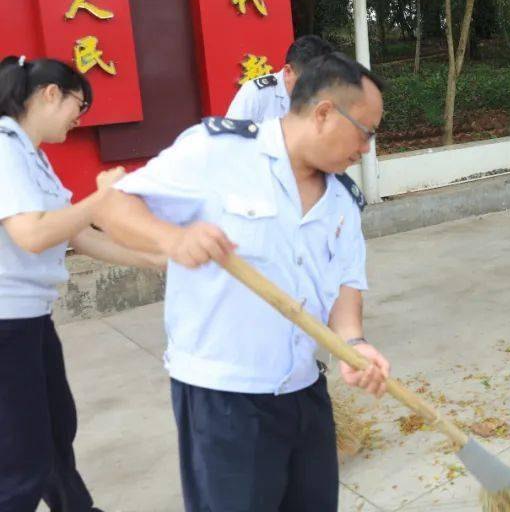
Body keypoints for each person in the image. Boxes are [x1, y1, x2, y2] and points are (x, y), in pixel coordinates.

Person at [94, 52, 392, 512]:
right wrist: (171, 238)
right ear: (324, 113)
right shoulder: (217, 152)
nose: (368, 147)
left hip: (304, 392)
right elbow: (112, 206)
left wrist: (353, 342)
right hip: (225, 401)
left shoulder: (344, 200)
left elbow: (346, 285)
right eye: (366, 131)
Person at [0, 55, 164, 512]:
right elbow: (31, 235)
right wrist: (102, 198)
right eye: (80, 105)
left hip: (30, 319)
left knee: (55, 434)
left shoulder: (31, 155)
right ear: (51, 94)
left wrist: (156, 258)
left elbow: (77, 234)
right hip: (5, 324)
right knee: (21, 460)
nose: (80, 117)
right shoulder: (3, 149)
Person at [226, 35, 334, 122]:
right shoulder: (255, 94)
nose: (314, 90)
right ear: (288, 71)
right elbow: (231, 141)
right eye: (308, 83)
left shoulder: (325, 98)